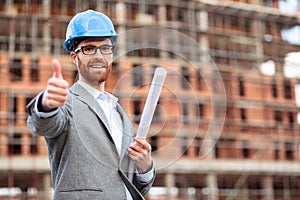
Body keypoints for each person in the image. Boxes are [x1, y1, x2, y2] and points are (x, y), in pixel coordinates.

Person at [26, 10, 155, 200]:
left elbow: (125, 185)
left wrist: (145, 167)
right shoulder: (67, 102)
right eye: (89, 48)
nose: (98, 56)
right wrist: (46, 104)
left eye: (105, 48)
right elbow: (46, 123)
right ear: (74, 57)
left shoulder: (119, 114)